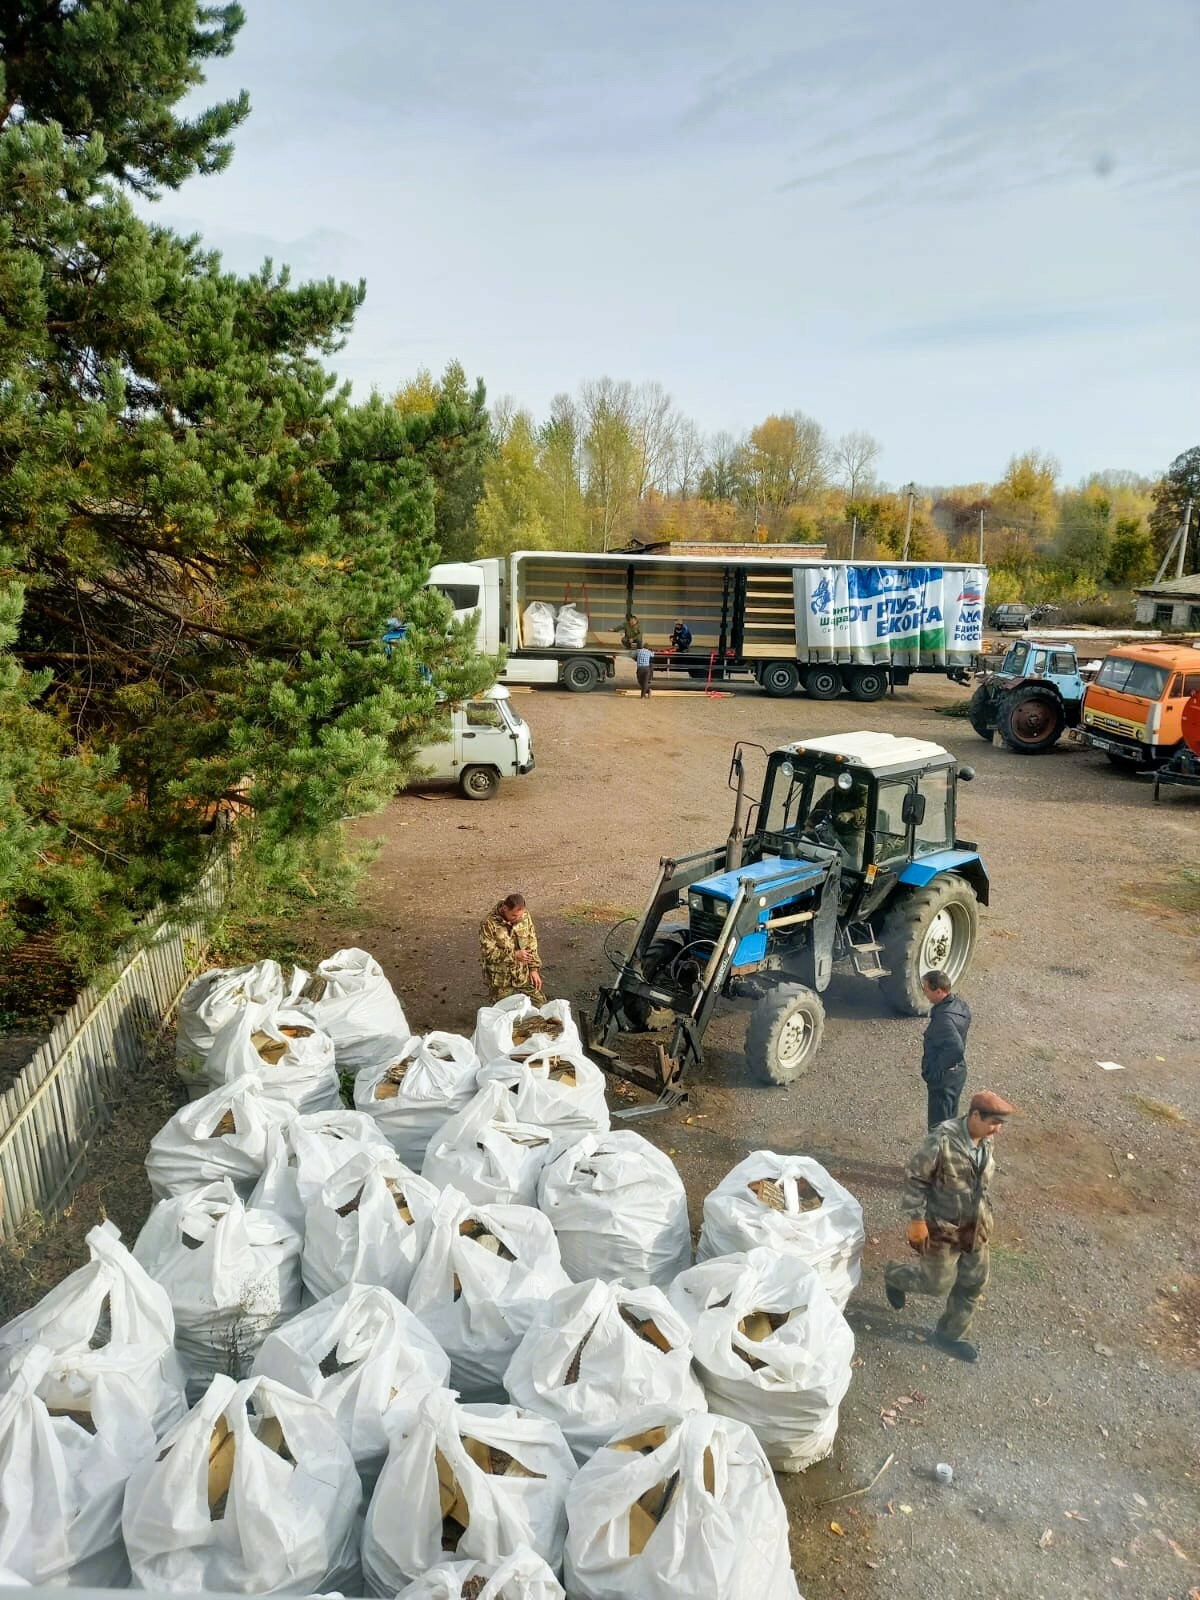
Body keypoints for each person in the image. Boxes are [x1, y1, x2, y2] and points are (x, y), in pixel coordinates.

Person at [883, 1090, 1015, 1362]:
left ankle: (951, 1336)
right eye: (993, 1122)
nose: (997, 1130)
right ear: (975, 1115)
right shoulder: (941, 1142)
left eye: (1000, 1124)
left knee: (972, 1283)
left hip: (976, 1226)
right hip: (943, 1227)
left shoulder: (985, 1140)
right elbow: (916, 1179)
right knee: (936, 1284)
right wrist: (917, 1220)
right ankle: (895, 1276)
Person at [920, 968, 971, 1130]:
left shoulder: (943, 1019)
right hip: (956, 1076)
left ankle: (940, 1155)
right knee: (949, 1122)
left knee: (939, 1128)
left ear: (939, 991)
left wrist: (935, 1071)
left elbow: (956, 1048)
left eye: (926, 989)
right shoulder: (960, 1006)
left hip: (944, 1082)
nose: (924, 993)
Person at [479, 892, 544, 1002]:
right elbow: (489, 953)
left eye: (520, 915)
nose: (518, 918)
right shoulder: (488, 924)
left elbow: (531, 942)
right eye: (514, 915)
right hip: (501, 979)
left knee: (541, 1004)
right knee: (502, 1012)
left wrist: (533, 969)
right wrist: (514, 955)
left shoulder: (523, 916)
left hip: (522, 974)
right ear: (505, 908)